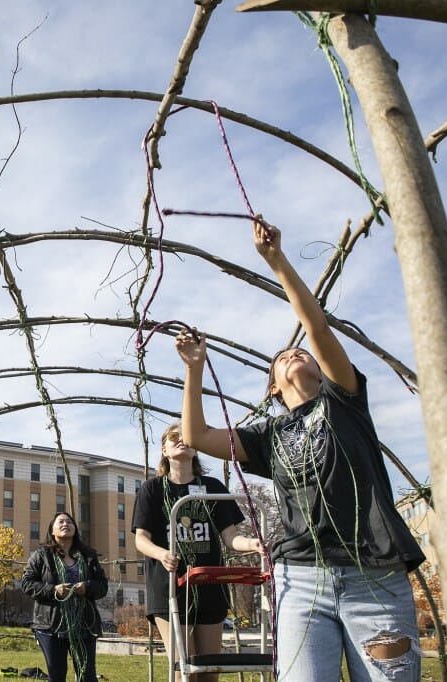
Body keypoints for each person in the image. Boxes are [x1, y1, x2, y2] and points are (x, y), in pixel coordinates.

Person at [175, 215, 425, 681]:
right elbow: (197, 438)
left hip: (373, 573)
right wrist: (194, 369)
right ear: (272, 388)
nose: (294, 354)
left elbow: (318, 329)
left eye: (301, 353)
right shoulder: (268, 436)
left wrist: (276, 261)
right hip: (301, 577)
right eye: (282, 359)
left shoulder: (344, 400)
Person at [132, 422, 263, 682]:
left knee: (208, 672)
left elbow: (230, 537)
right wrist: (161, 554)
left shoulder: (213, 487)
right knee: (185, 672)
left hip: (209, 586)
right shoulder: (152, 489)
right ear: (164, 450)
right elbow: (141, 540)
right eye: (173, 437)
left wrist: (253, 544)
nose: (181, 440)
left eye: (187, 436)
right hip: (170, 586)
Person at [21, 512, 108, 682]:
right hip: (52, 627)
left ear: (75, 529)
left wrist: (87, 587)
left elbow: (102, 586)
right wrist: (53, 590)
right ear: (52, 530)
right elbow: (27, 583)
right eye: (60, 521)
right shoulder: (42, 555)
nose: (65, 524)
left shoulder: (88, 556)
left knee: (87, 676)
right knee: (57, 675)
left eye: (69, 521)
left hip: (84, 626)